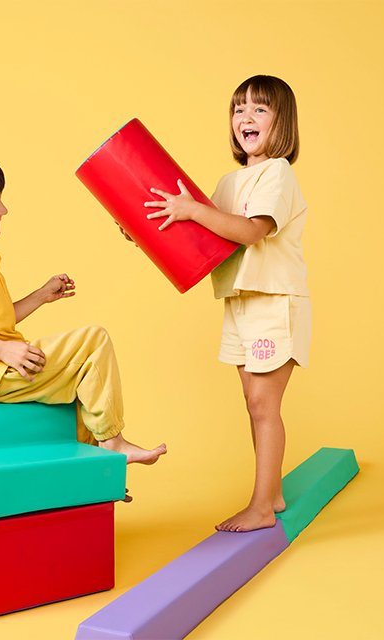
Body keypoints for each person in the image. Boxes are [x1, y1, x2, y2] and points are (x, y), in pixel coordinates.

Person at [0, 150, 167, 465]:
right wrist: (1, 351)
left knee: (85, 388)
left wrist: (41, 295)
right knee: (94, 341)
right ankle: (113, 443)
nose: (4, 210)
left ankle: (93, 475)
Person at [143, 75, 310, 530]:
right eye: (239, 109)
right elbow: (205, 236)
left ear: (282, 122)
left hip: (274, 301)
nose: (246, 118)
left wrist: (194, 210)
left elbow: (252, 231)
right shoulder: (230, 181)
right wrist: (148, 232)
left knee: (263, 404)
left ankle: (260, 508)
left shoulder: (277, 173)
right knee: (252, 402)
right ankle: (270, 494)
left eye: (259, 109)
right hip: (241, 302)